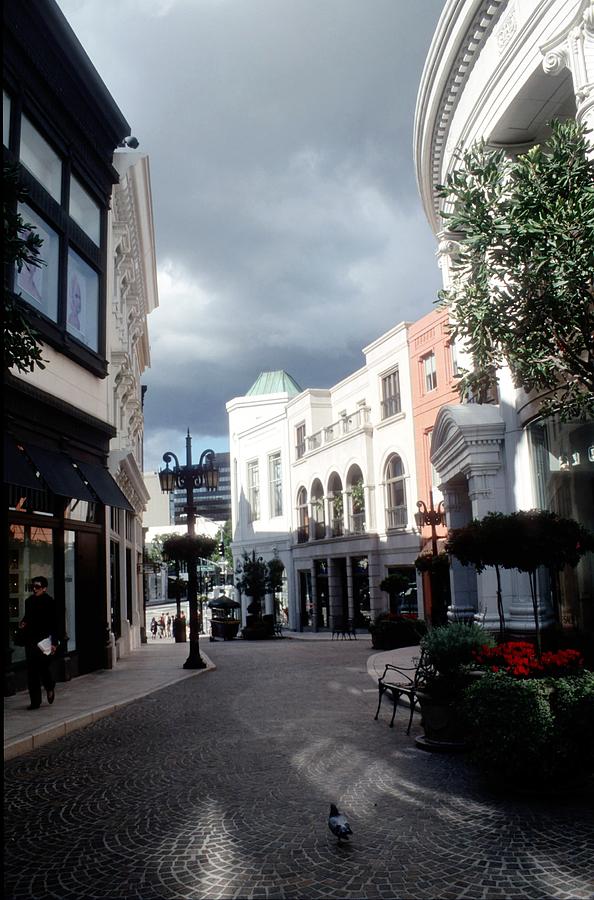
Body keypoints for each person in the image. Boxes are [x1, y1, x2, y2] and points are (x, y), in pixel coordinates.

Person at [17, 576, 59, 710]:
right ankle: (35, 702)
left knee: (43, 668)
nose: (34, 589)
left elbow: (55, 624)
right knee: (32, 671)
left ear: (44, 588)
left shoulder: (50, 602)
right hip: (31, 640)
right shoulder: (29, 601)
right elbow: (27, 618)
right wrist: (23, 623)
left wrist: (54, 643)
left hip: (45, 641)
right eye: (33, 587)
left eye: (38, 587)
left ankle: (49, 686)